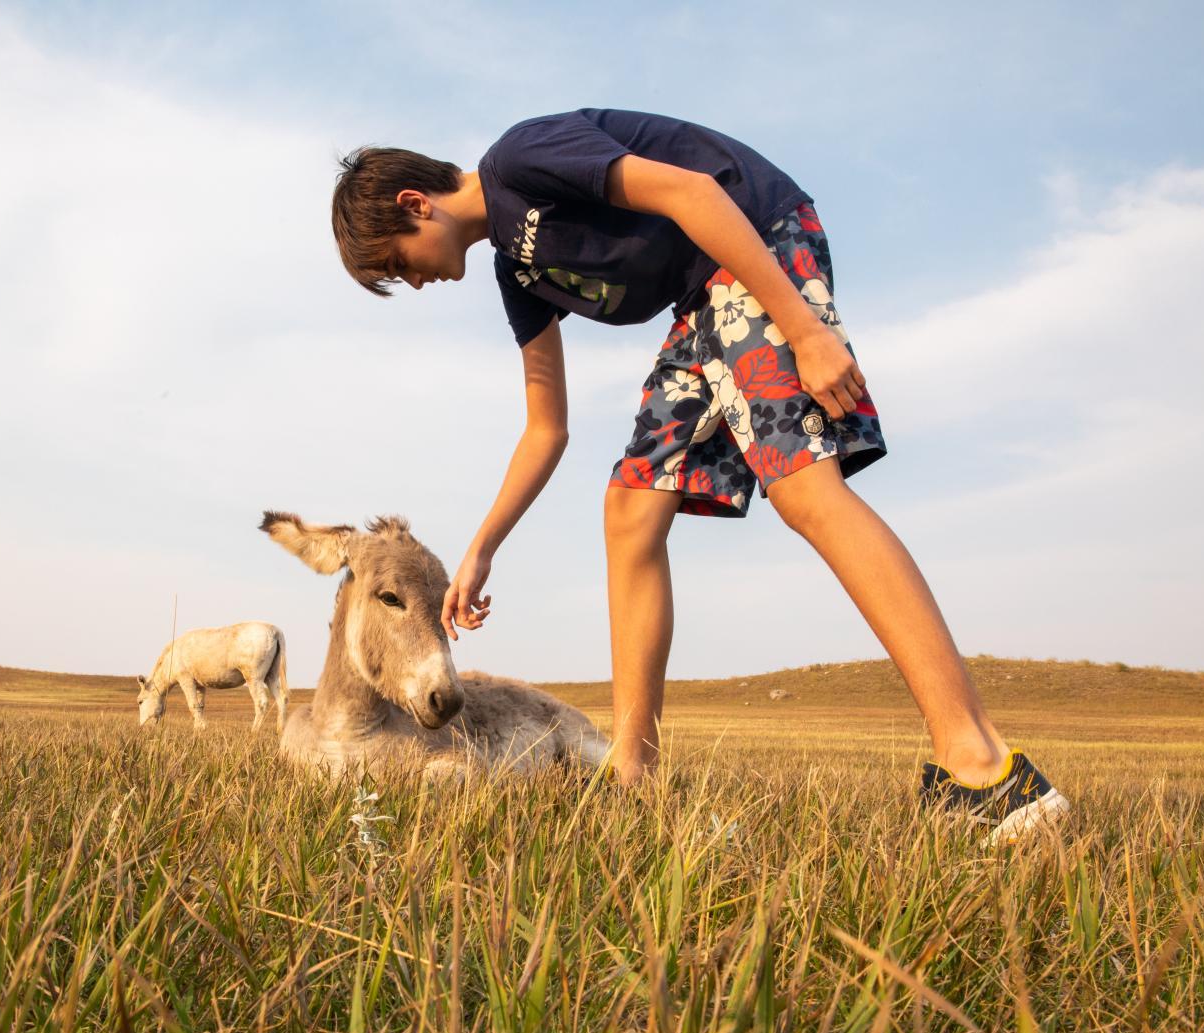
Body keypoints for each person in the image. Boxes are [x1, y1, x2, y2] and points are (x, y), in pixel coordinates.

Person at [329, 108, 1066, 840]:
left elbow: (695, 195)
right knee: (630, 507)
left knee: (805, 488)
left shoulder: (521, 157)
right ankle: (634, 780)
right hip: (701, 308)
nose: (413, 281)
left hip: (757, 247)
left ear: (414, 205)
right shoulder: (516, 269)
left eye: (398, 263)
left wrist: (805, 330)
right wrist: (484, 547)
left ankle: (985, 766)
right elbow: (545, 425)